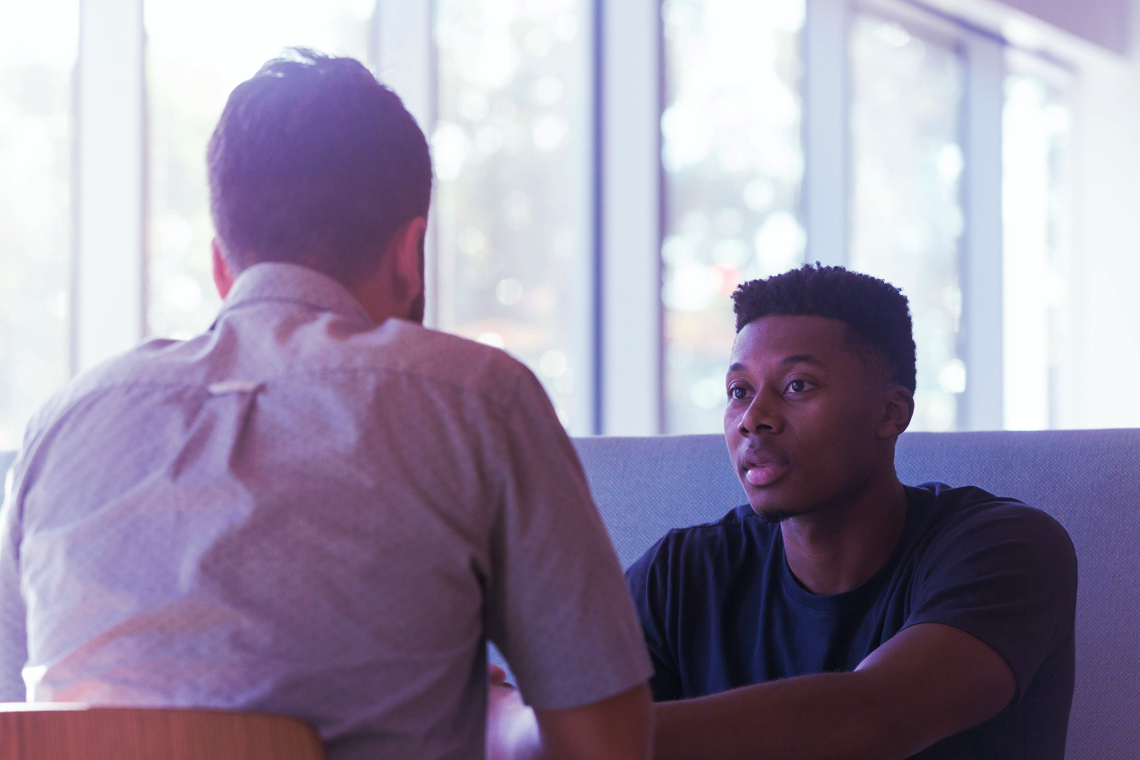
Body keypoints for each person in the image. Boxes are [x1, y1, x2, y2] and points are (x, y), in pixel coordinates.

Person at [0, 49, 653, 760]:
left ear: (223, 264)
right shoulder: (479, 401)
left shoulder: (63, 424)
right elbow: (606, 748)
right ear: (411, 253)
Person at [626, 264, 1077, 760]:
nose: (754, 419)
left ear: (890, 413)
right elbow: (565, 709)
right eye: (739, 391)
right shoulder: (681, 575)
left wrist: (571, 734)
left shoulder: (1008, 548)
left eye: (798, 385)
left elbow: (871, 719)